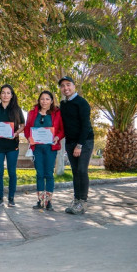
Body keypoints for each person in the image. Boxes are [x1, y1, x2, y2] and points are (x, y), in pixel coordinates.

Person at [59, 76, 94, 215]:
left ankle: (83, 203)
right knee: (75, 172)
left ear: (74, 86)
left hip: (84, 141)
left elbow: (86, 126)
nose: (65, 88)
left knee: (81, 170)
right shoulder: (64, 104)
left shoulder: (82, 103)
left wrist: (79, 145)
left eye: (68, 85)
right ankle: (76, 200)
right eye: (62, 86)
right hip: (70, 142)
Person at [24, 91, 65, 211]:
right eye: (42, 99)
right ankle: (40, 201)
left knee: (49, 174)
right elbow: (27, 129)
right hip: (37, 148)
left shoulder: (57, 113)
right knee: (40, 174)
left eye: (47, 99)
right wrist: (29, 138)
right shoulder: (32, 113)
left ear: (51, 101)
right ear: (39, 100)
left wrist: (57, 137)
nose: (44, 101)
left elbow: (62, 130)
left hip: (50, 148)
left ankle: (48, 202)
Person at [0, 84, 25, 207]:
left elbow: (23, 125)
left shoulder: (17, 109)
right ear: (0, 94)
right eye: (3, 92)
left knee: (12, 172)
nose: (5, 95)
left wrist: (16, 133)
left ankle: (11, 198)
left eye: (8, 93)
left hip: (12, 145)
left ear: (12, 95)